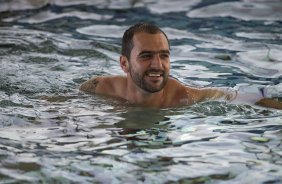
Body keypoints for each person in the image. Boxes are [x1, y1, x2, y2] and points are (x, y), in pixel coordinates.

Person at [79, 23, 282, 109]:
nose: (157, 65)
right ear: (124, 63)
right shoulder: (99, 88)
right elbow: (57, 104)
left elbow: (238, 97)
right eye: (146, 56)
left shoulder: (182, 97)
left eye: (164, 56)